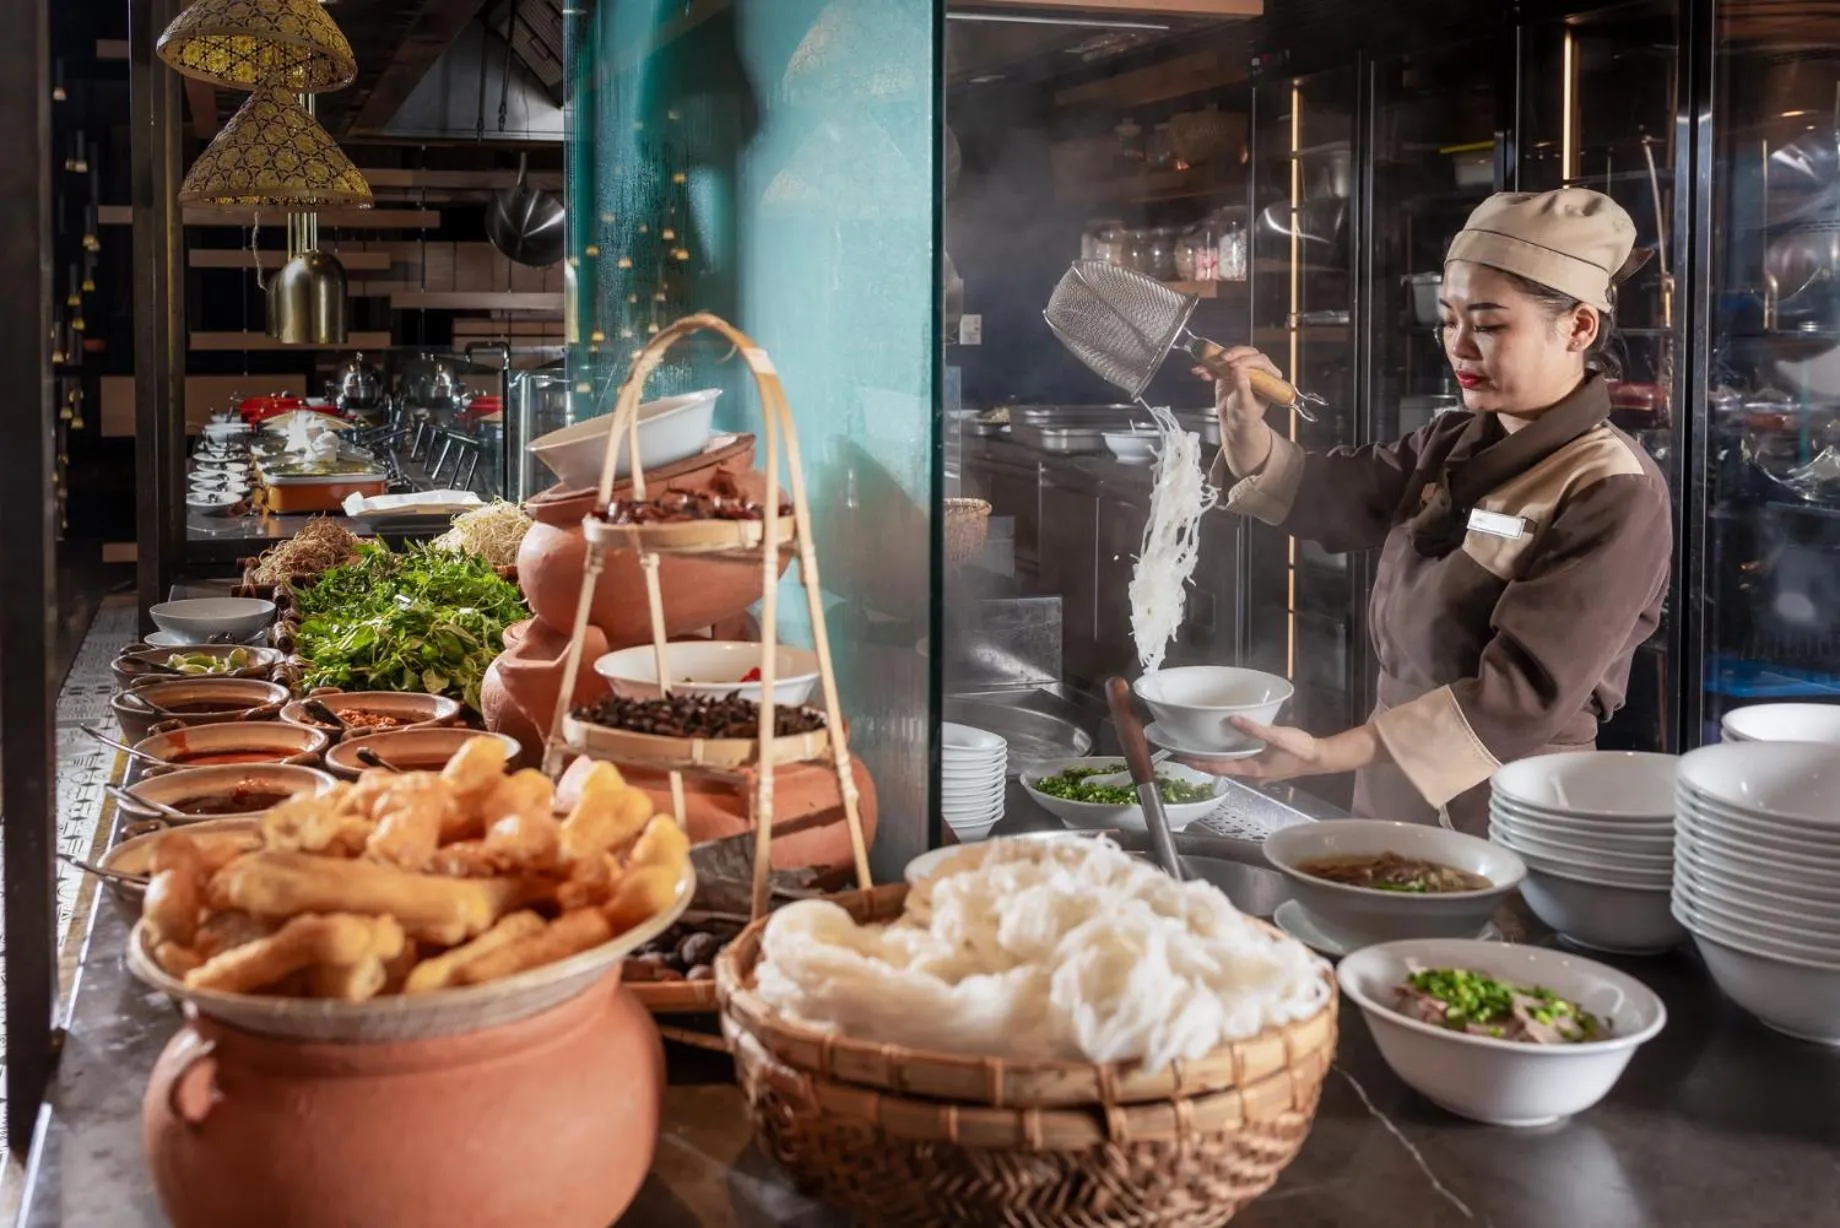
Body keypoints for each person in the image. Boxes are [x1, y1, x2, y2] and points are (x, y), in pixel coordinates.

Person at [1183, 188, 1672, 835]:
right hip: (1388, 781)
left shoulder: (1615, 488)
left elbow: (1524, 692)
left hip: (1511, 801)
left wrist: (1335, 751)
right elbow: (1328, 493)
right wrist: (1243, 424)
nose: (1459, 347)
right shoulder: (1450, 440)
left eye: (1490, 324)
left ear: (1579, 326)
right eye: (1449, 319)